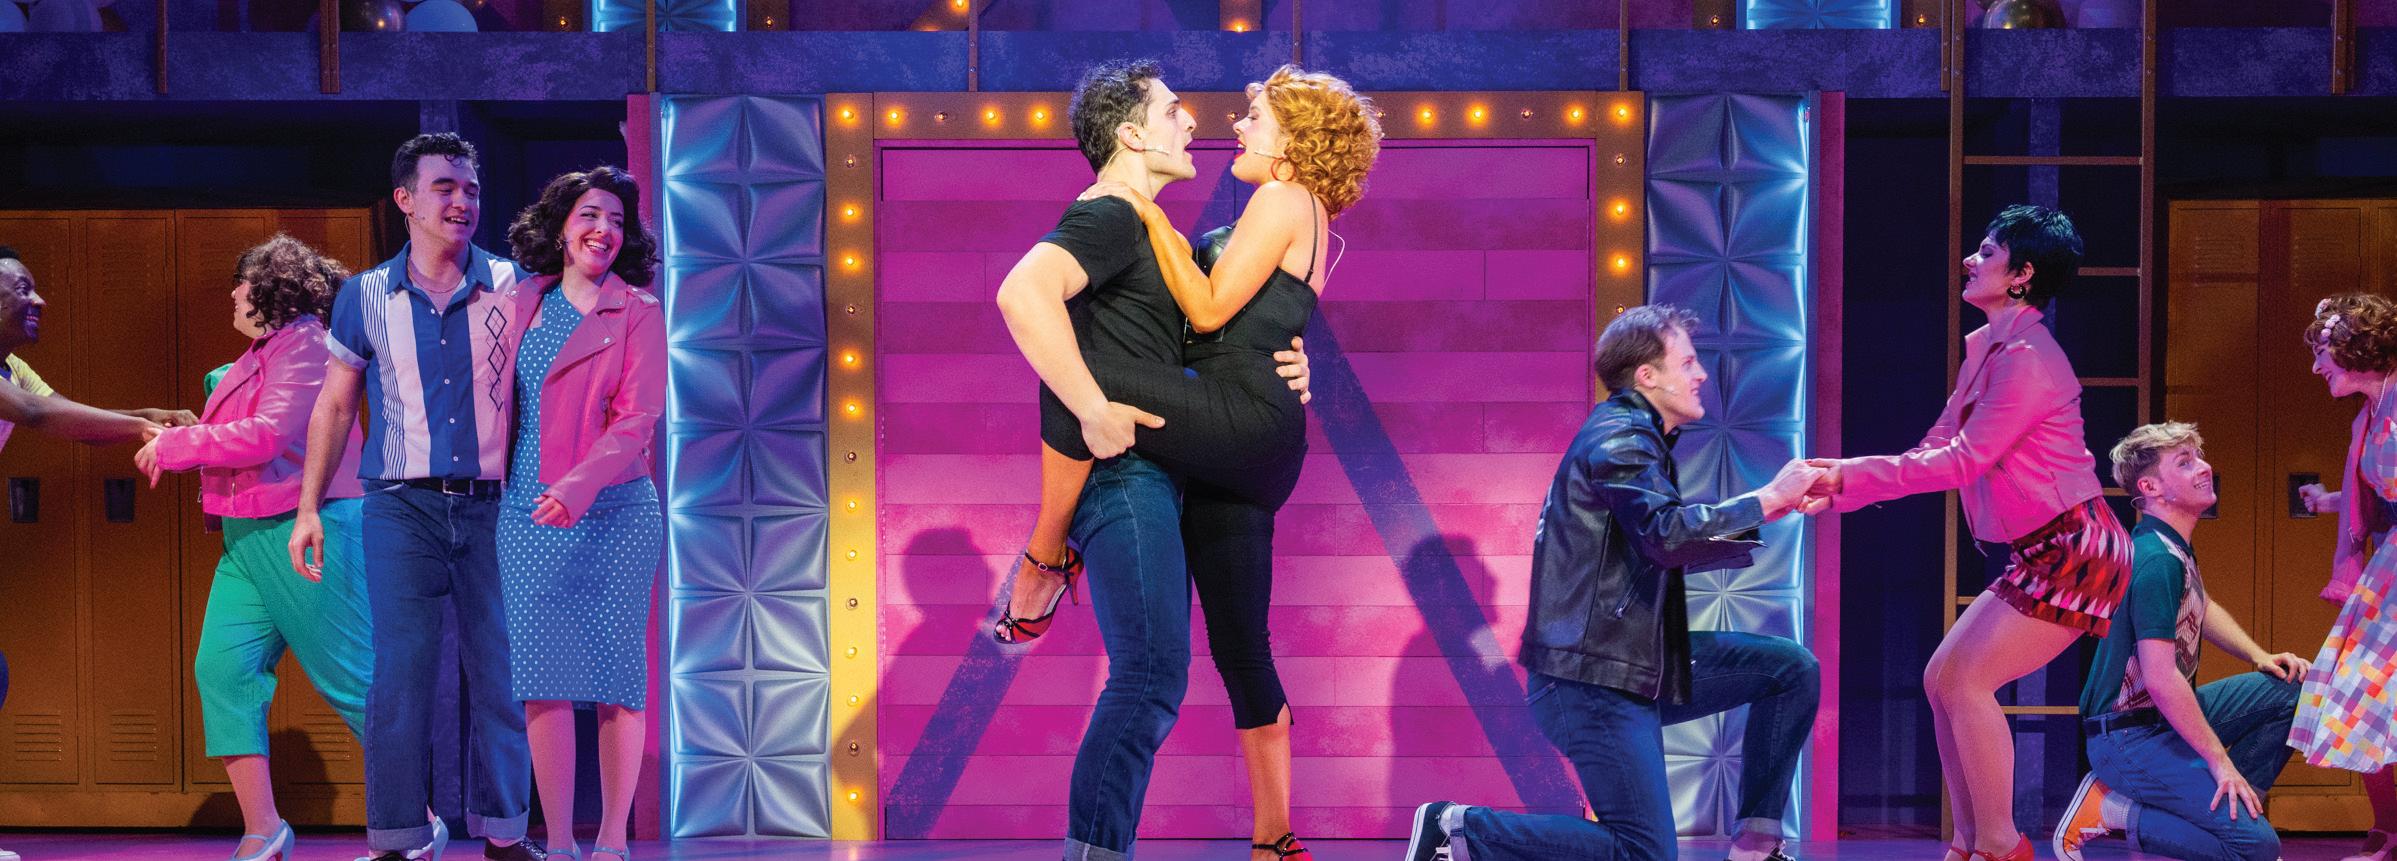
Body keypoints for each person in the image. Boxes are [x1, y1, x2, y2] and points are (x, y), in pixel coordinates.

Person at [1000, 63, 1378, 860]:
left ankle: (1043, 556)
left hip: (1238, 422)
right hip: (1239, 441)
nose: (1223, 124)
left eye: (1253, 116)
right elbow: (1247, 315)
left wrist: (1146, 215)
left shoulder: (1273, 199)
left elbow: (1207, 311)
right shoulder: (1245, 211)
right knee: (1241, 644)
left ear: (1293, 141)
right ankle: (1274, 837)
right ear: (1132, 134)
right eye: (1177, 110)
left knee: (1079, 374)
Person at [1401, 304, 1825, 861]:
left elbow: (1655, 543)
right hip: (1590, 678)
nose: (1701, 374)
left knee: (1789, 670)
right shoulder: (1620, 437)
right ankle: (1458, 829)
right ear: (1647, 375)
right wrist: (1765, 498)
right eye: (1688, 362)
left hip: (1632, 664)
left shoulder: (1634, 436)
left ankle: (1757, 847)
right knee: (1644, 853)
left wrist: (1769, 511)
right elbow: (1665, 536)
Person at [1806, 205, 2130, 861]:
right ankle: (1970, 844)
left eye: (1985, 252)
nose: (1968, 261)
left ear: (2021, 275)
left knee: (1964, 683)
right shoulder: (1990, 349)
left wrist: (1845, 475)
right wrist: (1841, 487)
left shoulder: (2029, 359)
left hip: (2076, 546)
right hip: (2045, 546)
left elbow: (1962, 461)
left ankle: (2001, 846)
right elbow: (1938, 444)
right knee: (1941, 680)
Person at [289, 133, 544, 861]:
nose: (462, 201)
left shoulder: (514, 284)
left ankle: (505, 833)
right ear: (405, 199)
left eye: (471, 188)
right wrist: (308, 508)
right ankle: (398, 839)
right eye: (444, 188)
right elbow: (336, 405)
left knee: (500, 672)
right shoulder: (363, 294)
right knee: (400, 676)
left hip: (496, 504)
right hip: (402, 507)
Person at [135, 235, 373, 861]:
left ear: (269, 287)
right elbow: (246, 426)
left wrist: (177, 447)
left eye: (240, 282)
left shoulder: (309, 344)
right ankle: (264, 828)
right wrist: (193, 430)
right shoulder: (265, 351)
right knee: (224, 670)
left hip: (302, 526)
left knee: (354, 680)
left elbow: (269, 435)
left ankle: (414, 822)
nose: (234, 294)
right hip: (247, 536)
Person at [497, 166, 667, 861]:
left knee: (617, 678)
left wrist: (577, 486)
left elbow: (638, 418)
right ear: (562, 226)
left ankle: (612, 841)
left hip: (615, 509)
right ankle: (560, 842)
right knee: (543, 681)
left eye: (617, 220)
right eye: (591, 215)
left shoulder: (638, 310)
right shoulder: (521, 299)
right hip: (525, 511)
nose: (604, 230)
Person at [2051, 422, 2308, 861]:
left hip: (2157, 725)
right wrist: (2219, 761)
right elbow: (2161, 678)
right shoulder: (2155, 560)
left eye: (2198, 457)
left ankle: (2238, 810)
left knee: (2294, 688)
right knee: (2258, 850)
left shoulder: (2172, 546)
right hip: (2128, 739)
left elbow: (2200, 605)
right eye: (2185, 463)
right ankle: (2111, 809)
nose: (2204, 467)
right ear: (2151, 487)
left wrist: (2259, 655)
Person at [2290, 293, 2397, 855]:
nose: (2316, 368)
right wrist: (2335, 501)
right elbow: (2382, 497)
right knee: (2360, 694)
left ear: (2356, 348)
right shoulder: (2372, 414)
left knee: (2372, 693)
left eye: (2322, 353)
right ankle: (2390, 828)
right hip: (2388, 569)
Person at [0, 245, 182, 447]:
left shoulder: (14, 367)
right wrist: (141, 426)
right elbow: (33, 410)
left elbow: (72, 419)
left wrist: (146, 416)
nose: (39, 301)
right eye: (23, 290)